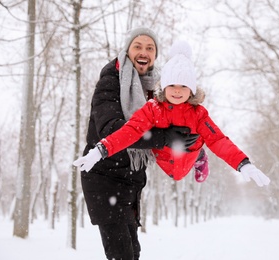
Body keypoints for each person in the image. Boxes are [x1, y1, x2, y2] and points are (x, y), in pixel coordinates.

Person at [74, 40, 270, 190]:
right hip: (164, 159)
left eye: (183, 86)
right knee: (145, 133)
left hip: (187, 156)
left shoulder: (199, 114)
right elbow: (131, 130)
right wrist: (102, 149)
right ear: (164, 86)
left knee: (203, 137)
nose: (177, 91)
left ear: (191, 89)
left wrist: (243, 163)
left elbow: (218, 140)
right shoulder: (153, 109)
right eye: (172, 85)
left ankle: (200, 153)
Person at [78, 28, 201, 260]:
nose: (143, 52)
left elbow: (171, 121)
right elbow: (112, 129)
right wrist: (165, 137)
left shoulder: (152, 88)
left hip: (131, 182)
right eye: (138, 46)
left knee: (133, 253)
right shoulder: (111, 79)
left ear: (155, 56)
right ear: (127, 49)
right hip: (104, 178)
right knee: (122, 254)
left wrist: (194, 147)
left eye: (150, 48)